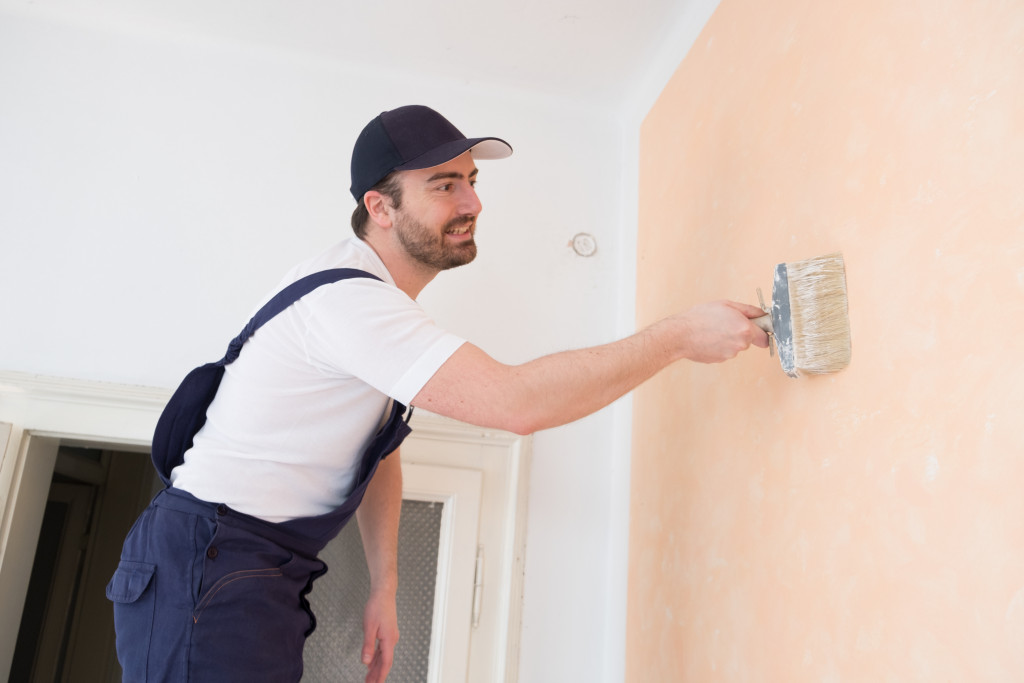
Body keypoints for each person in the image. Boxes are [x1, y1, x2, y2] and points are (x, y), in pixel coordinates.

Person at [106, 104, 769, 683]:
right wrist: (678, 336)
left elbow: (375, 453)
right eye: (445, 184)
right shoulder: (351, 303)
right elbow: (518, 404)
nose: (473, 203)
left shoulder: (372, 308)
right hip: (211, 558)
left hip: (245, 565)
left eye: (473, 182)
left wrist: (385, 585)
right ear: (380, 206)